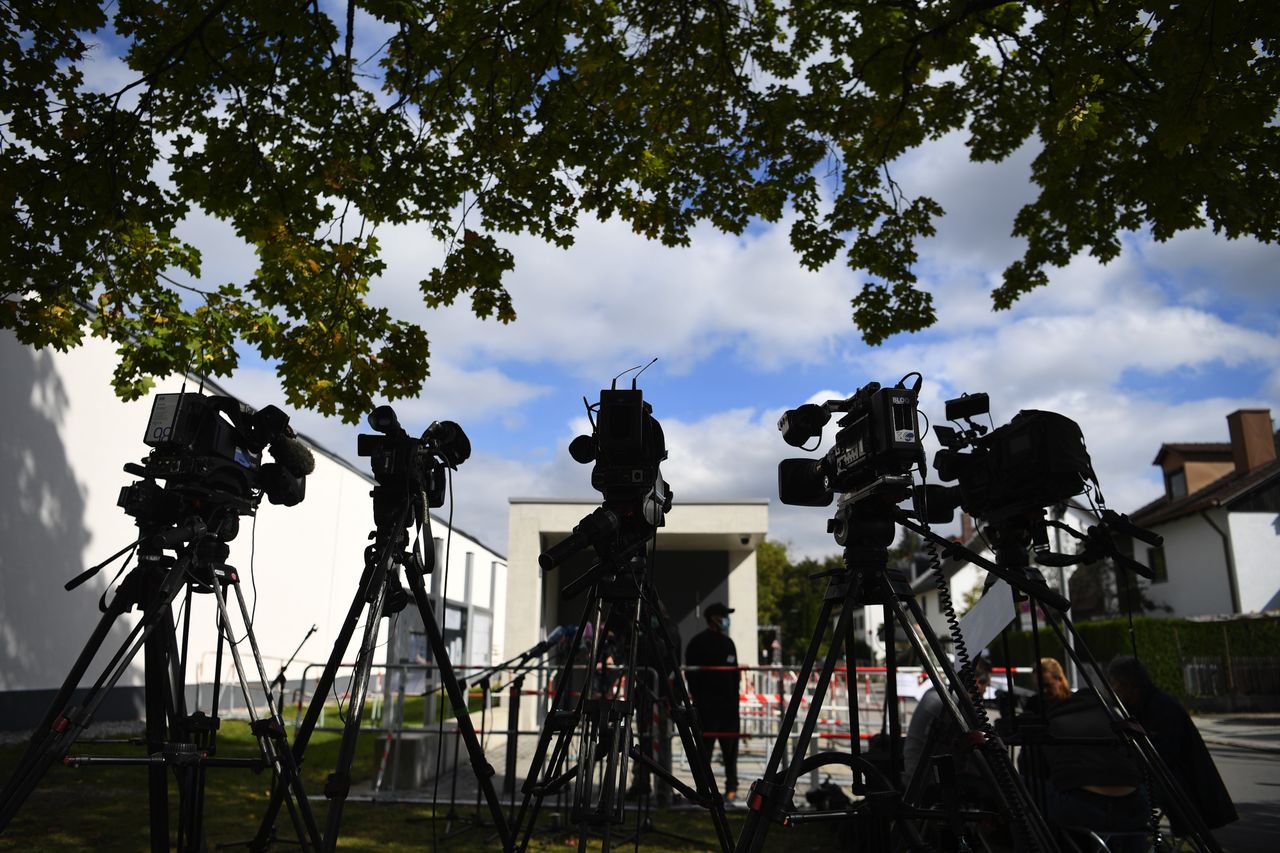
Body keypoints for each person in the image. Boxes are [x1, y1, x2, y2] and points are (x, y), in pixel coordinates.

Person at [1107, 655, 1237, 834]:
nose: (1112, 689)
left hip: (1180, 786)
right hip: (1163, 781)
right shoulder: (1139, 706)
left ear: (1128, 683)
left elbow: (1163, 755)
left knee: (1126, 803)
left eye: (1114, 684)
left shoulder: (1162, 708)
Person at [1040, 687, 1150, 853]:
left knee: (1024, 786)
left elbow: (1035, 766)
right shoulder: (1118, 721)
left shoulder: (1055, 722)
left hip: (1082, 810)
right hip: (1133, 811)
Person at [685, 602, 741, 802]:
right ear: (714, 618)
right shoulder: (697, 643)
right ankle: (704, 790)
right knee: (704, 752)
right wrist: (699, 701)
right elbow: (692, 676)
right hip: (707, 708)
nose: (727, 619)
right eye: (724, 615)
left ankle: (731, 789)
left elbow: (735, 677)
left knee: (730, 753)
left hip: (729, 709)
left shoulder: (728, 643)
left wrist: (736, 705)